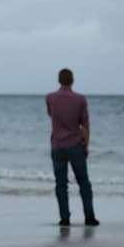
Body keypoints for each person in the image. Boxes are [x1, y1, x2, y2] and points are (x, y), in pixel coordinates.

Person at [46, 68, 98, 227]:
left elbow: (51, 115)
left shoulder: (50, 98)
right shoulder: (80, 99)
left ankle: (64, 218)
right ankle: (89, 217)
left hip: (57, 145)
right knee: (84, 183)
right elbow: (85, 126)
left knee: (61, 184)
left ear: (59, 80)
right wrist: (86, 146)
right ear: (72, 80)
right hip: (75, 144)